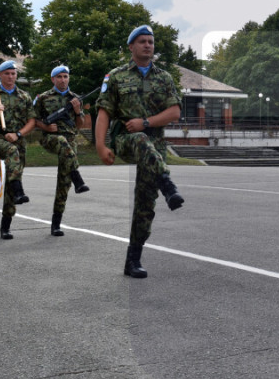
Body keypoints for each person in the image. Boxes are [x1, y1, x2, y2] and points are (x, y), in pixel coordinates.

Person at [95, 25, 185, 279]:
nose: (148, 45)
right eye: (142, 41)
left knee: (145, 203)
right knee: (140, 139)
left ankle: (133, 259)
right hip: (126, 139)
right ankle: (167, 184)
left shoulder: (164, 77)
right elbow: (103, 113)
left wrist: (145, 122)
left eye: (151, 42)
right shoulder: (115, 77)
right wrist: (101, 145)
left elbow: (174, 112)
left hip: (155, 146)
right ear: (131, 46)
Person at [0, 60, 37, 240]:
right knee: (12, 154)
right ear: (0, 76)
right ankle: (19, 189)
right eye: (7, 73)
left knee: (14, 176)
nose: (11, 77)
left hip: (18, 140)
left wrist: (18, 134)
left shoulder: (24, 96)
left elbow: (32, 121)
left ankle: (6, 226)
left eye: (13, 73)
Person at [33, 65, 91, 236]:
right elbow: (33, 119)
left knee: (64, 183)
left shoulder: (75, 99)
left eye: (65, 76)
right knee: (60, 140)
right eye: (59, 77)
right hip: (51, 138)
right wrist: (45, 126)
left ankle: (56, 224)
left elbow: (80, 125)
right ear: (53, 79)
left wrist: (77, 111)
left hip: (70, 140)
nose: (63, 80)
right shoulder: (43, 97)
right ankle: (77, 177)